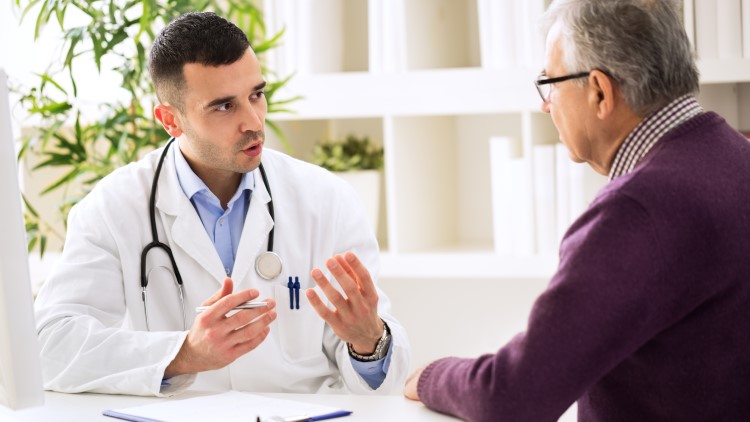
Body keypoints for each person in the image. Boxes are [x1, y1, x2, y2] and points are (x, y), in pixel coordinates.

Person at [404, 0, 750, 420]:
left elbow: (513, 396)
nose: (545, 105)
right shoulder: (738, 155)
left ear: (600, 92)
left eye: (550, 83)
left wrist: (430, 376)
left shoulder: (639, 210)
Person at [34, 11, 409, 397]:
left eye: (256, 95)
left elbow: (382, 376)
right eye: (224, 106)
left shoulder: (326, 199)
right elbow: (49, 345)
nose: (254, 121)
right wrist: (184, 353)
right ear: (170, 120)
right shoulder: (114, 207)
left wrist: (369, 342)